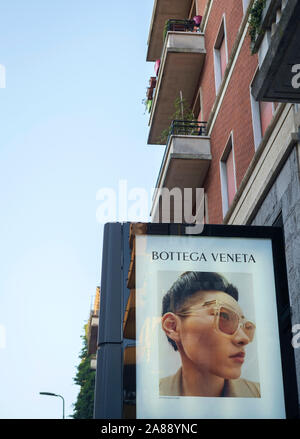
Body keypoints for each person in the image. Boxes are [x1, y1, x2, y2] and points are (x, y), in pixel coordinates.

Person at [160, 271, 260, 398]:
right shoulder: (152, 395)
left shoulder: (260, 394)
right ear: (172, 327)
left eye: (246, 326)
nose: (244, 339)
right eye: (224, 316)